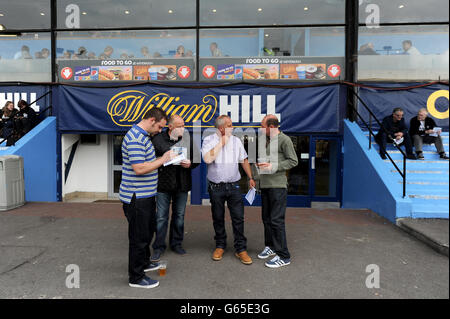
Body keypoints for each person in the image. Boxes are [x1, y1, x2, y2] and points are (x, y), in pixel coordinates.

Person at [119, 108, 176, 289]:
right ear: (152, 120)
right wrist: (164, 159)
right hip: (137, 197)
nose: (160, 131)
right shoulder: (136, 138)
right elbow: (140, 169)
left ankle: (144, 263)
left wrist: (163, 159)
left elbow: (146, 162)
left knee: (148, 231)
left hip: (146, 195)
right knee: (139, 237)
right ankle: (136, 277)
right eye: (160, 127)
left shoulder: (142, 136)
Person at [202, 115, 255, 265]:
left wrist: (250, 177)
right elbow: (207, 159)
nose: (233, 127)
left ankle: (241, 249)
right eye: (230, 125)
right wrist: (221, 143)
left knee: (238, 218)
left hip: (234, 186)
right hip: (216, 187)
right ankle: (220, 245)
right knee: (218, 217)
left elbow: (243, 159)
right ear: (221, 128)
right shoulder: (208, 140)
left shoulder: (236, 141)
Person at [150, 115, 200, 261]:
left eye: (183, 125)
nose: (182, 128)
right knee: (161, 217)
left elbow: (197, 158)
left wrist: (190, 163)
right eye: (179, 126)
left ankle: (176, 244)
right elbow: (151, 160)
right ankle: (158, 247)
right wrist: (164, 159)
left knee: (179, 216)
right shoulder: (157, 139)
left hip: (182, 184)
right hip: (163, 185)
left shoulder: (187, 138)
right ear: (170, 126)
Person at [256, 115, 298, 268]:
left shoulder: (284, 140)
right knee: (266, 219)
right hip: (266, 185)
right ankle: (271, 247)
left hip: (278, 186)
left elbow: (293, 160)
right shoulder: (266, 140)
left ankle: (284, 255)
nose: (261, 129)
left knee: (276, 220)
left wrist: (273, 165)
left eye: (262, 126)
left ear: (271, 126)